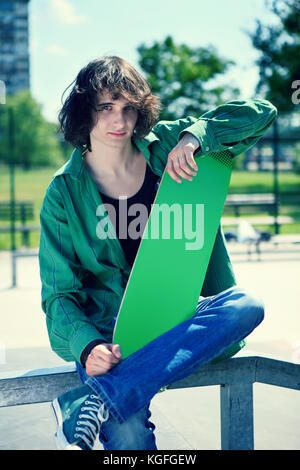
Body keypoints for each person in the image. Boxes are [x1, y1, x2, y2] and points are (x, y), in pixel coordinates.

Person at [38, 56, 277, 450]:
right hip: (108, 336)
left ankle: (96, 399)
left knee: (246, 304)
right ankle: (111, 394)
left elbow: (261, 113)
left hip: (174, 317)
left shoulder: (167, 145)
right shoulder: (63, 193)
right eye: (106, 107)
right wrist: (87, 346)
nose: (120, 121)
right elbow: (59, 295)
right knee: (129, 433)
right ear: (85, 111)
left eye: (129, 108)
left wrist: (195, 137)